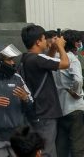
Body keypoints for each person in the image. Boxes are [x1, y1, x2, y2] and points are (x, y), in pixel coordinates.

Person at [20, 24, 70, 157]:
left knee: (37, 149)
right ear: (37, 41)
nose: (46, 41)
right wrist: (60, 46)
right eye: (43, 38)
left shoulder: (26, 58)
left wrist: (52, 49)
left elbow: (48, 61)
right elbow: (65, 64)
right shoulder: (37, 58)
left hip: (36, 110)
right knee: (47, 150)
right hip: (45, 112)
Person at [55, 30, 84, 157]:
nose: (80, 44)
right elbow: (78, 79)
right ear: (74, 43)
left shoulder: (55, 57)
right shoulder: (72, 59)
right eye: (79, 41)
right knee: (77, 145)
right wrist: (76, 92)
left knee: (61, 145)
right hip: (75, 108)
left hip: (60, 107)